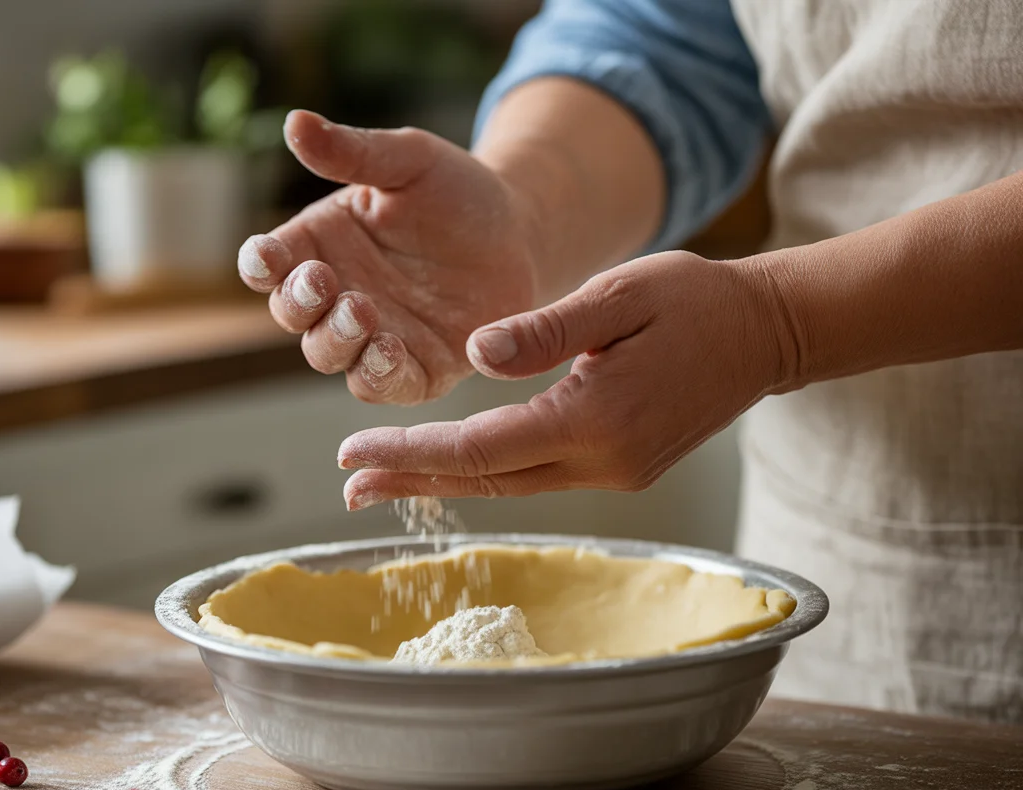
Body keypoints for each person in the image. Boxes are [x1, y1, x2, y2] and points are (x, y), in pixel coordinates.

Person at [236, 0, 1023, 723]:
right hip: (848, 552)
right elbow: (665, 34)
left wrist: (781, 324)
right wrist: (528, 207)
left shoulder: (775, 327)